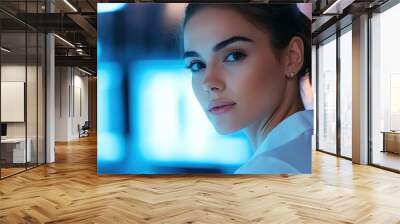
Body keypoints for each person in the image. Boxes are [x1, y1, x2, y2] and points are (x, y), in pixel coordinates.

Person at [182, 4, 314, 174]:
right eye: (196, 65)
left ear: (292, 57)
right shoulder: (317, 144)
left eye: (234, 56)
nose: (209, 82)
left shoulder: (269, 169)